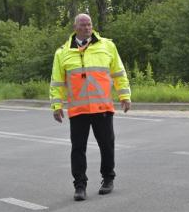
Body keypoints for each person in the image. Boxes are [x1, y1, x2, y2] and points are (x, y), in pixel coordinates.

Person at [49, 13, 131, 201]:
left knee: (107, 145)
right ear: (75, 27)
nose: (87, 28)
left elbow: (119, 73)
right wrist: (56, 105)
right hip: (78, 110)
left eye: (89, 24)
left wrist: (125, 96)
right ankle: (80, 186)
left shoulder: (107, 46)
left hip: (102, 107)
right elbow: (57, 81)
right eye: (83, 25)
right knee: (78, 149)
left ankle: (108, 179)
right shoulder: (62, 52)